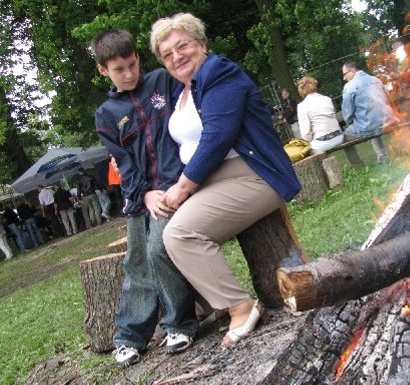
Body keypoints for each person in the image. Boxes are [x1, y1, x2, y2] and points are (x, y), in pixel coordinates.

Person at [149, 13, 301, 346]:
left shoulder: (220, 74)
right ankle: (200, 307)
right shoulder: (182, 92)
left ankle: (240, 307)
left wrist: (184, 187)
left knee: (181, 234)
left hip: (253, 176)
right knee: (156, 239)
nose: (176, 57)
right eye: (167, 54)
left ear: (201, 44)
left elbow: (218, 136)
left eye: (182, 46)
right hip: (210, 180)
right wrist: (157, 189)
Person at [92, 28, 202, 366]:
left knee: (158, 251)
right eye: (119, 69)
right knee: (136, 263)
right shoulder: (106, 115)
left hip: (174, 186)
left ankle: (179, 323)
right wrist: (144, 195)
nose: (128, 74)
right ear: (103, 71)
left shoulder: (161, 82)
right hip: (140, 195)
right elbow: (123, 164)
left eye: (132, 64)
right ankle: (130, 336)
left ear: (139, 59)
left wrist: (170, 188)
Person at [341, 60, 393, 164]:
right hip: (386, 121)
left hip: (368, 126)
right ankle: (382, 157)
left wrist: (351, 122)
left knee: (342, 138)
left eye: (344, 74)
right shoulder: (376, 80)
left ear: (352, 71)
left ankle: (357, 165)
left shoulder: (349, 87)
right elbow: (386, 100)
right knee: (369, 120)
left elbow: (347, 114)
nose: (344, 78)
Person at [296, 76, 344, 153]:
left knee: (303, 153)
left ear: (301, 90)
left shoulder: (302, 106)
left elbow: (306, 133)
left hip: (322, 143)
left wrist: (306, 143)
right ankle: (356, 163)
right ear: (315, 86)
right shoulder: (327, 99)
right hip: (339, 137)